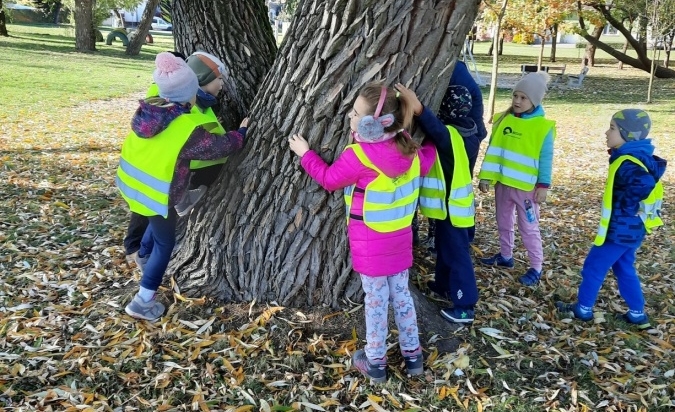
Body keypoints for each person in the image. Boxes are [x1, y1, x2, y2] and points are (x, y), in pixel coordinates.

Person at [287, 82, 436, 383]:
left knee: (376, 302)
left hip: (370, 243)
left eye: (355, 113)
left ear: (370, 125)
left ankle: (376, 361)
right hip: (400, 240)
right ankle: (414, 356)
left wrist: (305, 154)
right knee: (402, 297)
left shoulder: (359, 157)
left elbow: (329, 180)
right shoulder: (411, 150)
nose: (349, 117)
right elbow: (431, 156)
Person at [116, 52, 249, 321]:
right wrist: (242, 132)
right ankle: (142, 301)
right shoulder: (185, 127)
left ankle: (143, 254)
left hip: (135, 185)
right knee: (166, 243)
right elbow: (220, 147)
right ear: (191, 91)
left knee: (157, 227)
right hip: (159, 195)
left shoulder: (152, 109)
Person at [123, 50, 240, 265]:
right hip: (164, 172)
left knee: (150, 210)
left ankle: (139, 249)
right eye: (220, 79)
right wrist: (238, 136)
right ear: (201, 80)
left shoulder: (172, 96)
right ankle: (138, 251)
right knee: (155, 220)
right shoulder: (183, 102)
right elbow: (208, 145)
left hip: (154, 169)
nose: (223, 85)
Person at [556, 109, 666, 329]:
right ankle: (637, 314)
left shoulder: (628, 161)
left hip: (620, 230)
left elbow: (643, 183)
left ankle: (583, 309)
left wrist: (627, 205)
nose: (607, 132)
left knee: (593, 267)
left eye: (613, 128)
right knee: (624, 267)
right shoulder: (636, 155)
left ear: (628, 134)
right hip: (632, 229)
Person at [397, 84, 478, 324]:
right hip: (451, 210)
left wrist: (418, 107)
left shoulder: (451, 136)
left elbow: (436, 130)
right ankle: (444, 285)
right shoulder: (468, 130)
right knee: (445, 250)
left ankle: (465, 305)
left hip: (453, 210)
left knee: (457, 255)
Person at [477, 71, 556, 286]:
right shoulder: (504, 120)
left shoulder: (543, 128)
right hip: (503, 184)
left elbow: (546, 158)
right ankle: (505, 256)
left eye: (523, 97)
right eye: (515, 96)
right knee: (503, 221)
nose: (518, 101)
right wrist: (486, 177)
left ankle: (536, 266)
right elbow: (494, 150)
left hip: (527, 189)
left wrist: (543, 185)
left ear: (535, 100)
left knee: (529, 227)